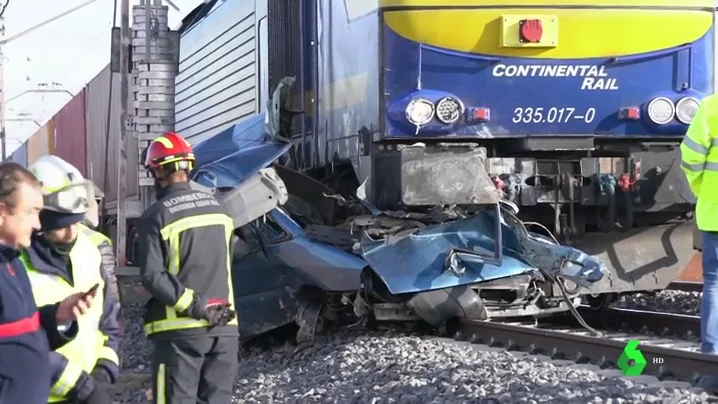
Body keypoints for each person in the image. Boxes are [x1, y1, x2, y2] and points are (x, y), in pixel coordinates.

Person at [137, 131, 238, 404]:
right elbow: (227, 261)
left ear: (157, 172)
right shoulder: (220, 209)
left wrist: (197, 306)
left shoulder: (156, 216)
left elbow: (152, 275)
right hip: (225, 328)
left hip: (179, 333)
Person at [24, 155, 122, 404]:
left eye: (76, 223)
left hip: (90, 393)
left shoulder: (89, 251)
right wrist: (79, 385)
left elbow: (110, 323)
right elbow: (16, 342)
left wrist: (104, 372)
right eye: (61, 226)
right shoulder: (13, 265)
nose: (71, 234)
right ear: (38, 221)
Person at [0, 161, 96, 404]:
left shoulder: (13, 265)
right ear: (2, 212)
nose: (38, 224)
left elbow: (22, 335)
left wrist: (57, 316)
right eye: (31, 211)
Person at [80, 183, 123, 328]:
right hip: (90, 317)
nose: (97, 208)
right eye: (96, 202)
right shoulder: (97, 240)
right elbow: (110, 290)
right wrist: (115, 322)